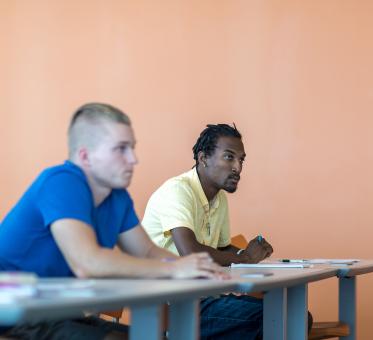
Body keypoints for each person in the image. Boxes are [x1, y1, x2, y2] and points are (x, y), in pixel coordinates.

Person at [0, 103, 225, 340]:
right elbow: (87, 262)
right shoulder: (61, 181)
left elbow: (147, 252)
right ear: (85, 156)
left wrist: (193, 268)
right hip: (12, 315)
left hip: (54, 314)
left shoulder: (116, 196)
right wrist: (174, 269)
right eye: (121, 149)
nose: (134, 159)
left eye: (133, 148)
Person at [142, 124, 312, 339]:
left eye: (241, 160)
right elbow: (190, 251)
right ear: (203, 158)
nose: (238, 168)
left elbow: (222, 249)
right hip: (172, 306)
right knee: (279, 319)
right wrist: (246, 257)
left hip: (205, 297)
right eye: (229, 157)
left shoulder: (218, 198)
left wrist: (251, 253)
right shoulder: (178, 190)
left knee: (296, 315)